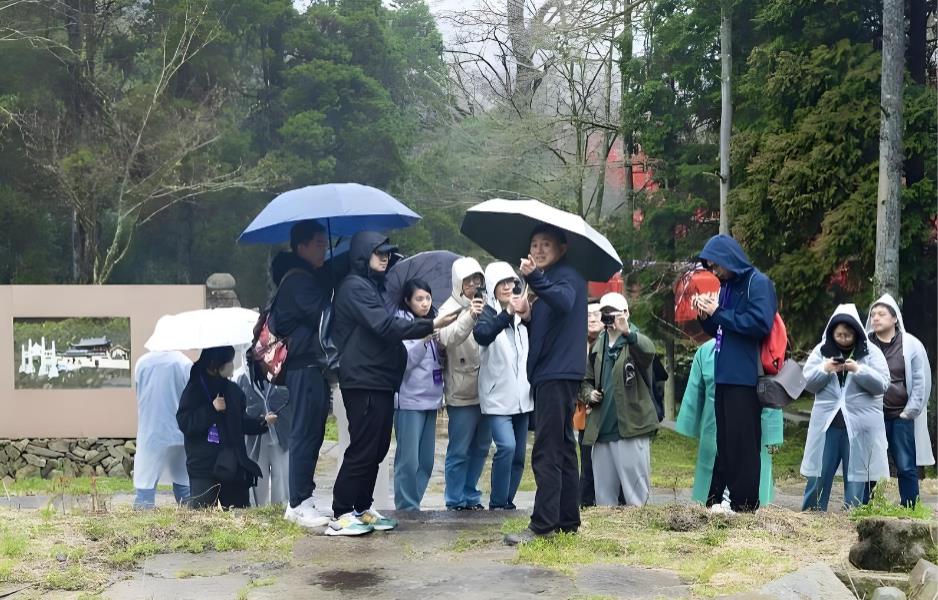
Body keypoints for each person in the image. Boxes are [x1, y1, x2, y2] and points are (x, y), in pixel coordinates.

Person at [329, 231, 459, 536]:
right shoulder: (354, 287)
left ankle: (362, 507)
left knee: (377, 449)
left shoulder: (373, 287)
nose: (385, 257)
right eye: (379, 253)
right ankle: (342, 512)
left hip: (381, 379)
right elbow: (384, 325)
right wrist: (432, 324)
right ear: (363, 255)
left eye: (387, 253)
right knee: (362, 448)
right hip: (363, 378)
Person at [504, 224, 587, 545]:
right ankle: (567, 518)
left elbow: (564, 302)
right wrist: (527, 315)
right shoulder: (551, 280)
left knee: (547, 449)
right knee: (564, 447)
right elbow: (551, 325)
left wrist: (534, 278)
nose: (538, 250)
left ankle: (542, 525)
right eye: (534, 244)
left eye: (546, 244)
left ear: (562, 248)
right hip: (552, 372)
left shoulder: (566, 276)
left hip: (557, 373)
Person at [695, 234, 777, 513]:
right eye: (709, 267)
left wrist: (719, 311)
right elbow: (721, 329)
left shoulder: (759, 283)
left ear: (730, 259)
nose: (714, 272)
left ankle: (745, 505)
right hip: (724, 373)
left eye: (716, 266)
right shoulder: (726, 286)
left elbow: (759, 323)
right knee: (726, 441)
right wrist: (706, 315)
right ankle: (721, 500)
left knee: (743, 444)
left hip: (746, 375)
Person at [269, 221, 334, 527]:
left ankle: (303, 499)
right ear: (302, 247)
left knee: (312, 433)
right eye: (319, 244)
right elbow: (323, 314)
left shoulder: (304, 278)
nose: (324, 248)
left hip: (310, 367)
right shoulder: (298, 283)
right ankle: (297, 503)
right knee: (304, 434)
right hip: (303, 367)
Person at [800, 304, 890, 511]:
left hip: (859, 427)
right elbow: (807, 382)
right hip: (828, 425)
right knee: (819, 473)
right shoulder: (822, 351)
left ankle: (853, 515)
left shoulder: (871, 352)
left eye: (847, 335)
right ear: (832, 333)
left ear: (856, 334)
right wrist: (825, 369)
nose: (842, 339)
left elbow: (883, 384)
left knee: (857, 474)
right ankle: (811, 514)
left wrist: (858, 369)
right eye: (839, 334)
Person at [676, 339, 784, 509]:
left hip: (752, 426)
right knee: (713, 475)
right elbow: (695, 390)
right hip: (714, 422)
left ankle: (746, 510)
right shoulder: (706, 351)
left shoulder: (760, 348)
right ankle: (712, 506)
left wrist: (773, 434)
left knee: (749, 473)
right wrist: (691, 424)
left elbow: (771, 393)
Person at [579, 293, 658, 506]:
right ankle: (606, 532)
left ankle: (638, 533)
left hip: (632, 427)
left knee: (636, 493)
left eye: (613, 313)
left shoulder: (635, 340)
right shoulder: (598, 344)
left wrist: (627, 332)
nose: (609, 318)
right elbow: (585, 380)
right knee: (603, 494)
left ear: (626, 313)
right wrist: (589, 394)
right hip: (602, 428)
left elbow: (648, 353)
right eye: (605, 313)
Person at [176, 346, 276, 509]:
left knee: (239, 514)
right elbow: (185, 423)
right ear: (215, 364)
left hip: (233, 464)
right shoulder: (195, 389)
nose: (232, 364)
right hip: (204, 467)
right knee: (202, 516)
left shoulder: (233, 390)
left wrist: (262, 422)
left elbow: (240, 422)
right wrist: (211, 409)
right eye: (228, 361)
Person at [473, 261, 533, 511]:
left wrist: (520, 312)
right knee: (506, 447)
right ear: (492, 287)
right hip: (497, 398)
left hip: (522, 397)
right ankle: (497, 503)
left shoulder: (523, 314)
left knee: (519, 456)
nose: (508, 287)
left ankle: (508, 501)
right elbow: (483, 334)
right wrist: (506, 313)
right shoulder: (488, 313)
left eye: (512, 282)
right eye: (502, 283)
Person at [865, 293, 935, 507]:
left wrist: (909, 412)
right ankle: (868, 506)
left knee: (905, 463)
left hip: (900, 414)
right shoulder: (865, 344)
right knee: (869, 464)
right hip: (872, 414)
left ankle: (911, 506)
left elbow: (919, 381)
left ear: (895, 318)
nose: (876, 318)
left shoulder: (910, 344)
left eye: (882, 314)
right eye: (873, 314)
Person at [437, 257, 489, 511]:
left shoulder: (488, 305)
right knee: (459, 450)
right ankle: (454, 499)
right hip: (462, 391)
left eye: (477, 279)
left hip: (489, 391)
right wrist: (469, 315)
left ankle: (471, 494)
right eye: (468, 280)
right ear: (458, 283)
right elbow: (448, 338)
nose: (474, 285)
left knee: (481, 447)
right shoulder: (447, 308)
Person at [393, 278, 444, 511]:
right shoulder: (402, 325)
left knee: (426, 461)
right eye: (419, 299)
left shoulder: (432, 322)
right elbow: (404, 364)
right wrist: (423, 340)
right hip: (409, 401)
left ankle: (414, 503)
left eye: (428, 298)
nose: (424, 303)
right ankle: (406, 507)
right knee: (409, 460)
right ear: (407, 300)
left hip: (431, 400)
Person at [132, 350, 192, 509]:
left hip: (150, 431)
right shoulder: (184, 363)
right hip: (178, 433)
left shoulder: (142, 363)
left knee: (145, 485)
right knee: (183, 483)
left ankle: (141, 526)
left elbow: (138, 394)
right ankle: (190, 522)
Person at [237, 367, 291, 507]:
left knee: (280, 474)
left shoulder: (280, 372)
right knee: (259, 475)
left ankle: (279, 508)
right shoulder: (242, 377)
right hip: (255, 435)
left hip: (281, 432)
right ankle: (260, 508)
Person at [574, 304, 602, 508]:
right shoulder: (576, 344)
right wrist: (586, 396)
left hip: (606, 413)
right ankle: (585, 502)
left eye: (597, 314)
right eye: (588, 315)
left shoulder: (610, 342)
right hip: (583, 413)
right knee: (587, 461)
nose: (592, 318)